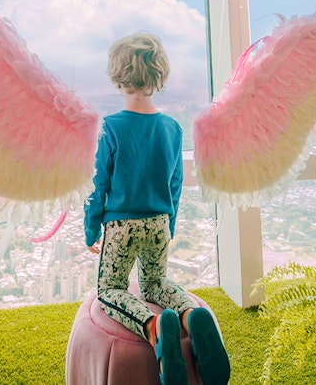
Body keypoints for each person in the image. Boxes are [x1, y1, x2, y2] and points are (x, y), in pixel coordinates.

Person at [84, 32, 230, 385]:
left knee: (111, 291)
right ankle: (190, 314)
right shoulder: (172, 128)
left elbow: (97, 184)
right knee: (155, 284)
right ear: (159, 76)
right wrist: (171, 225)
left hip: (122, 227)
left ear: (118, 76)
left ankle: (153, 329)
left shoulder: (109, 128)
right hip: (159, 223)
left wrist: (91, 228)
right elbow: (175, 184)